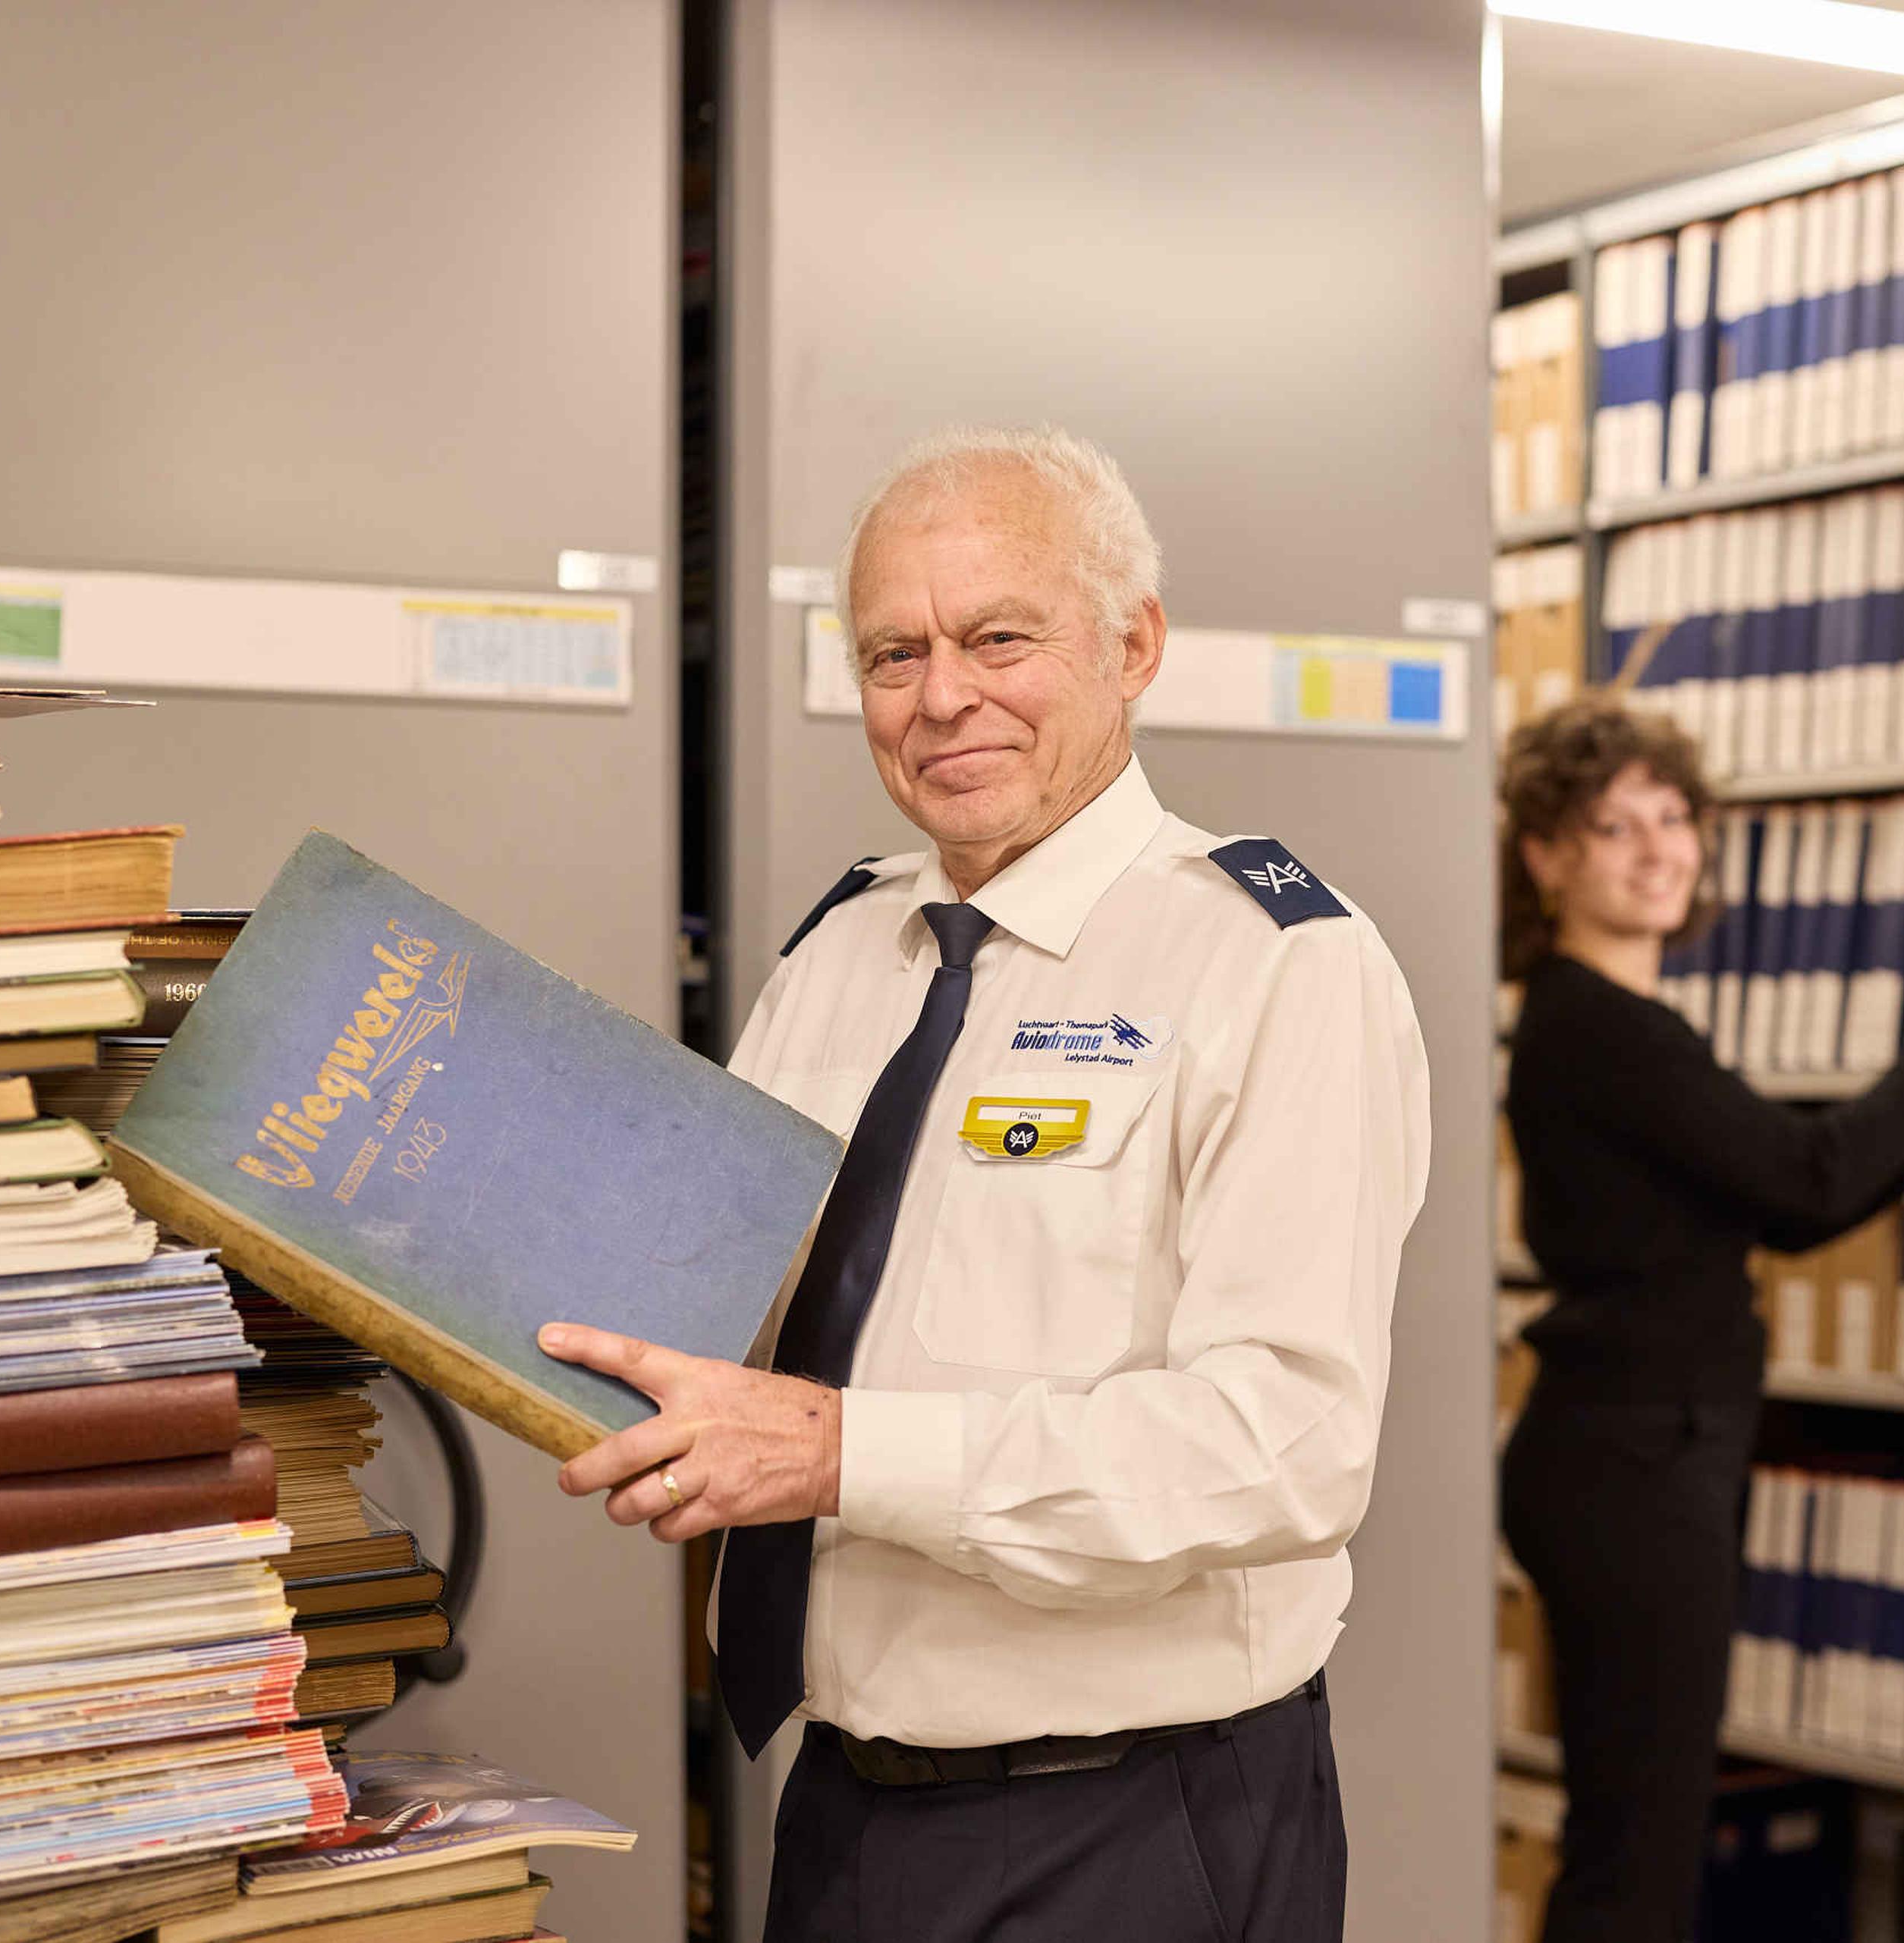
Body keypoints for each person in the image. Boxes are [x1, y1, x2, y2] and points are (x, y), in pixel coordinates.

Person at [538, 426, 1429, 1943]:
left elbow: (1289, 1445)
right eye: (894, 654)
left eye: (997, 637)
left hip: (1138, 1821)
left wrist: (843, 1455)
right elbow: (734, 1301)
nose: (942, 695)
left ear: (1132, 644)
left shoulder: (1279, 959)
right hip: (844, 1802)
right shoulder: (840, 951)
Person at [1496, 697, 1904, 1943]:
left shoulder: (1604, 1026)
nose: (1661, 849)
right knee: (1636, 1855)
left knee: (1636, 1831)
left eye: (1676, 818)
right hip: (1633, 1462)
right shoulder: (1604, 1030)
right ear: (1546, 854)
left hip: (1633, 1452)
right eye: (1615, 826)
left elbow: (1779, 1193)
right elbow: (1804, 1183)